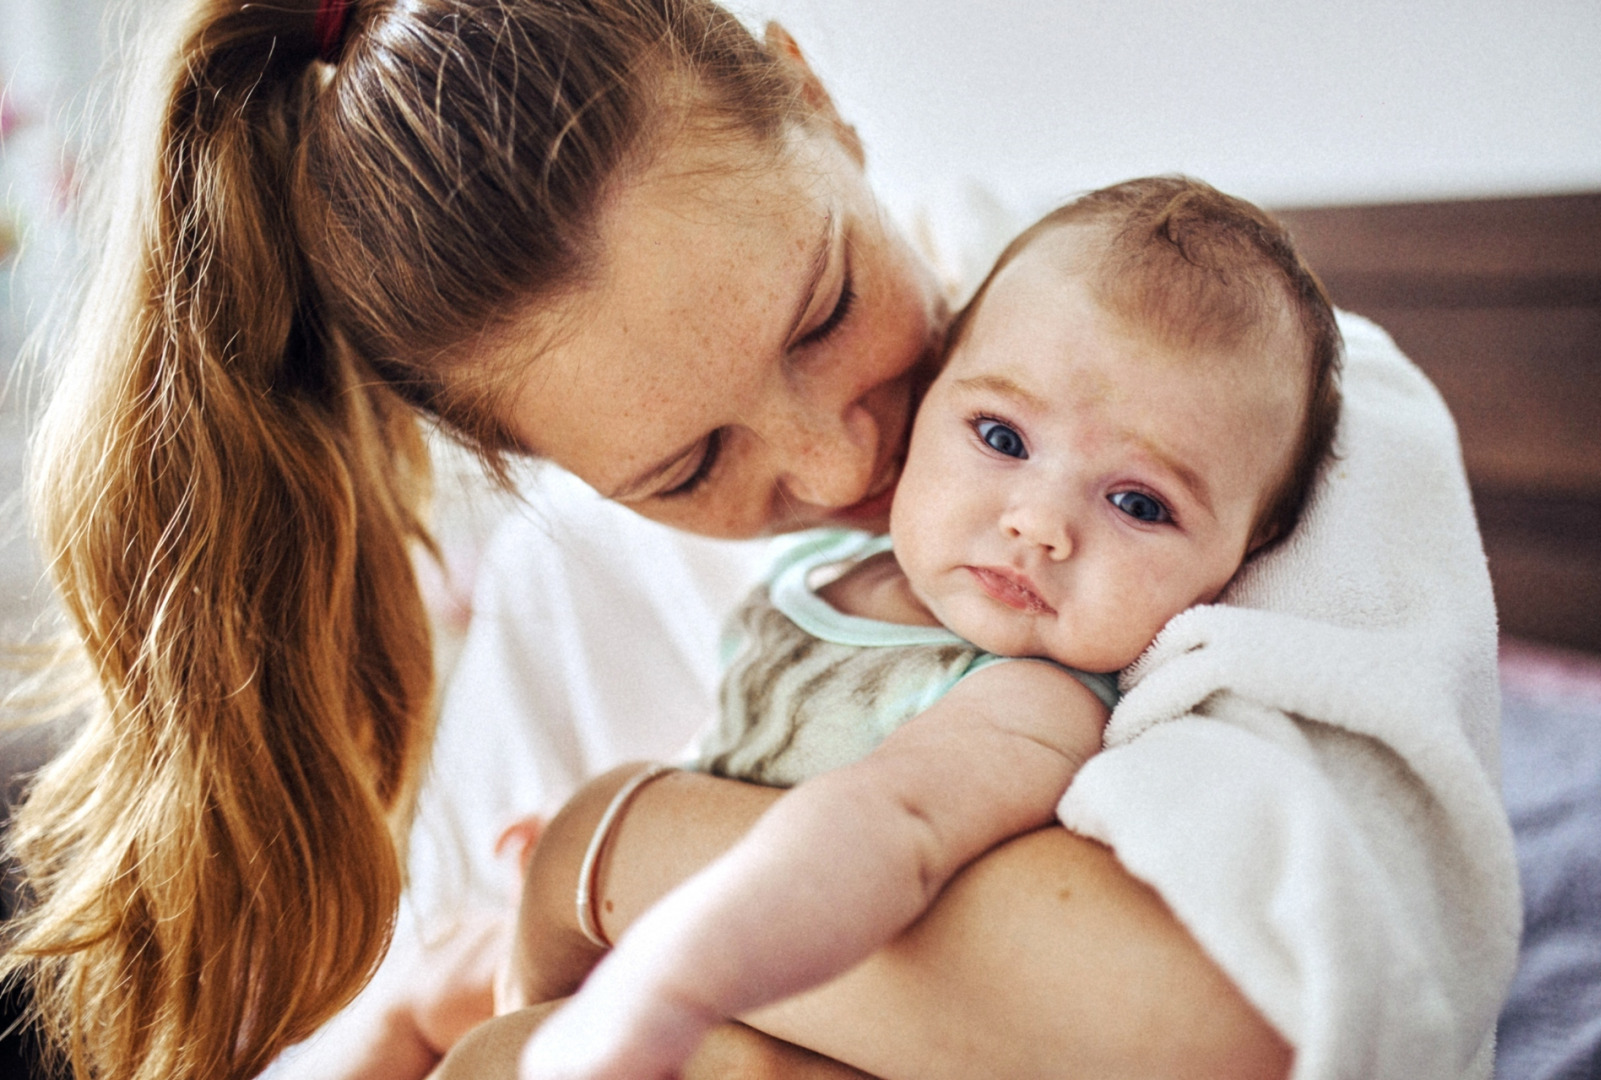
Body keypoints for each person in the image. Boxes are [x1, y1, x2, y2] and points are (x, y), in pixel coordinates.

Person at [0, 0, 1515, 1077]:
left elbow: (1231, 1026)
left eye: (823, 309)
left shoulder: (1240, 400)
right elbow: (453, 995)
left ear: (818, 99)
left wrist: (603, 851)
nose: (842, 455)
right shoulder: (568, 587)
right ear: (541, 471)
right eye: (686, 465)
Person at [504, 176, 1343, 1080]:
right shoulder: (811, 577)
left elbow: (885, 823)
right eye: (1001, 436)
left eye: (1139, 502)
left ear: (1242, 560)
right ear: (934, 388)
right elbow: (753, 755)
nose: (1039, 522)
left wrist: (669, 982)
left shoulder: (1030, 698)